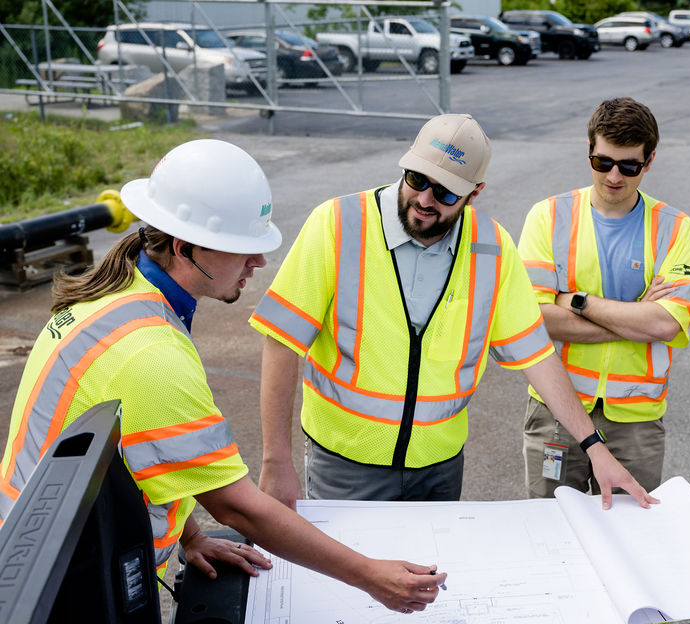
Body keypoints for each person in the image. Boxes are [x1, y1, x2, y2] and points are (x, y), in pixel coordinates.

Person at [0, 139, 445, 614]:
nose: (257, 263)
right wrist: (371, 576)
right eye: (242, 249)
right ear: (185, 248)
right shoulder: (151, 354)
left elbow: (143, 446)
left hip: (38, 549)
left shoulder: (120, 290)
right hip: (62, 590)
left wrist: (190, 534)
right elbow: (237, 507)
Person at [252, 113, 655, 510]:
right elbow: (282, 341)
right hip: (345, 465)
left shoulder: (492, 247)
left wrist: (595, 448)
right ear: (407, 163)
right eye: (417, 180)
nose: (425, 200)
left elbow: (539, 358)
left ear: (474, 193)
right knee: (345, 575)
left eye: (445, 193)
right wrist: (275, 460)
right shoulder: (337, 224)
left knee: (428, 575)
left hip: (440, 469)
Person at [516, 97, 690, 498]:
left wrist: (575, 300)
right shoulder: (547, 216)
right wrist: (635, 320)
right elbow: (534, 318)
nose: (614, 176)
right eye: (603, 162)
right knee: (551, 529)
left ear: (649, 161)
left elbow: (665, 324)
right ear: (589, 152)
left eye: (629, 166)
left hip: (635, 418)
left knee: (631, 537)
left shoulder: (676, 228)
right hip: (557, 408)